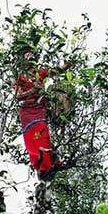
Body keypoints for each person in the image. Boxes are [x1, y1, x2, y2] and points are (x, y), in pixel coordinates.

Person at [14, 51, 65, 180]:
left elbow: (56, 71)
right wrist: (33, 90)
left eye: (31, 56)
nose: (29, 58)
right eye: (26, 56)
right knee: (34, 138)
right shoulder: (20, 77)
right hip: (27, 112)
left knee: (43, 135)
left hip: (40, 109)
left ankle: (45, 167)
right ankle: (42, 167)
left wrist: (70, 63)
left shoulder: (40, 72)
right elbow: (17, 96)